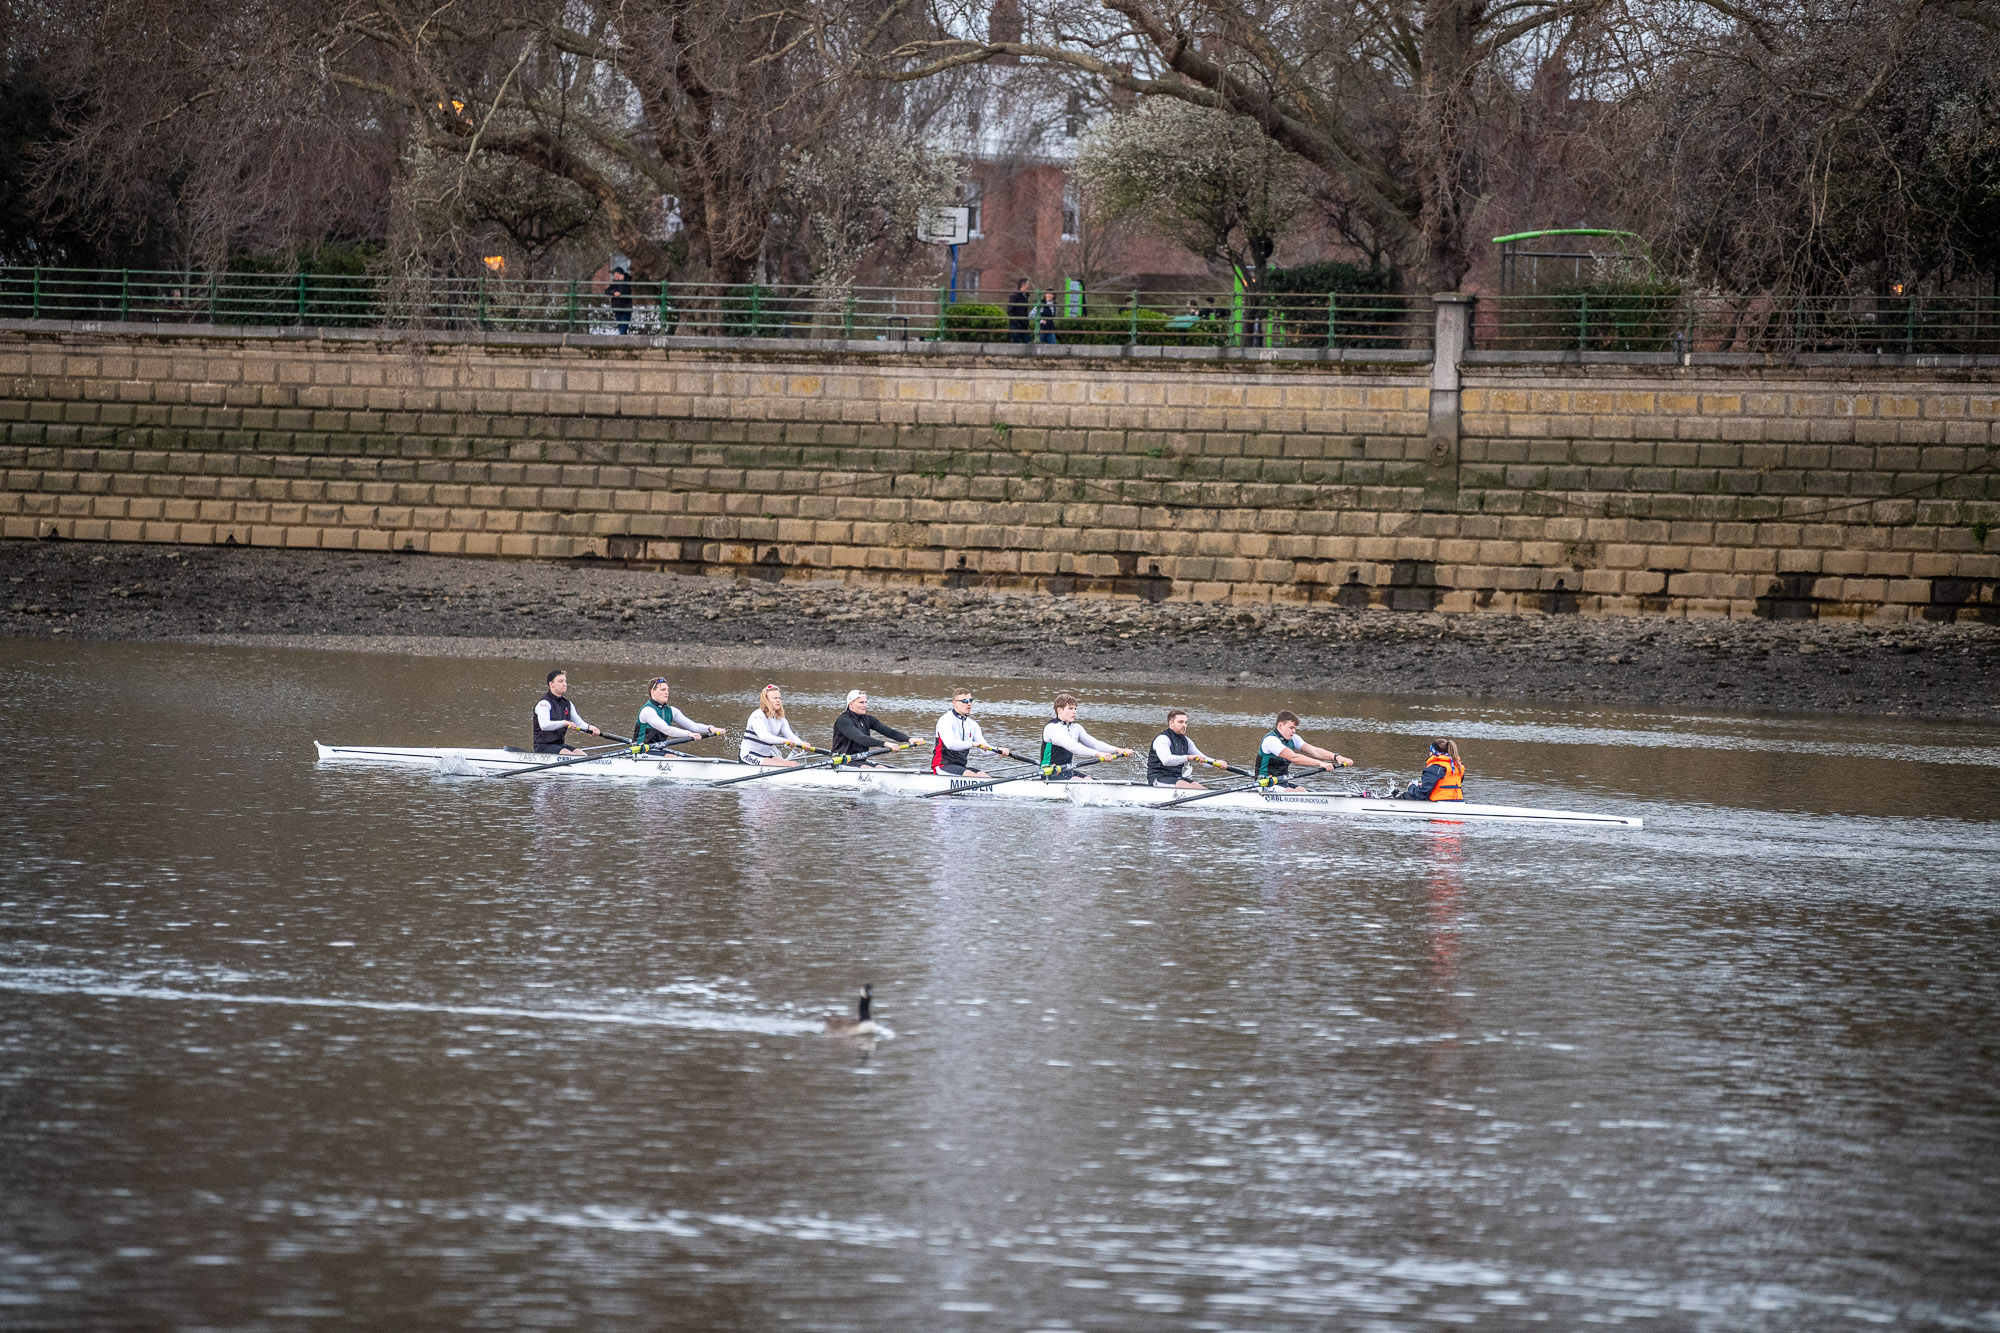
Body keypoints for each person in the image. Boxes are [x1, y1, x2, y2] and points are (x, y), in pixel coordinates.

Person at [1040, 693, 1130, 780]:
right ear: (1060, 710)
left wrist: (1118, 750)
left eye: (1075, 708)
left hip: (1067, 770)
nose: (1074, 712)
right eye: (1070, 708)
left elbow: (1095, 744)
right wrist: (1099, 754)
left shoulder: (1076, 728)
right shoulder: (1052, 727)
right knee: (1079, 781)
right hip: (1049, 773)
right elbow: (1072, 746)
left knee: (1089, 779)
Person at [1255, 710, 1351, 789]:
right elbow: (1294, 757)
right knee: (1291, 792)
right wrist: (1320, 763)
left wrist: (1337, 757)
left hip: (1281, 782)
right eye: (1291, 728)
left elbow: (1314, 751)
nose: (1294, 731)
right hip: (1264, 783)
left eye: (1295, 728)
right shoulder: (1271, 740)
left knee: (1301, 790)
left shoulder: (1294, 738)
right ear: (1280, 726)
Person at [932, 689, 1012, 777]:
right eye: (965, 701)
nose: (969, 703)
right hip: (943, 765)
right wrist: (973, 744)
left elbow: (984, 750)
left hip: (961, 767)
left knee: (984, 776)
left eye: (970, 700)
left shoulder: (973, 725)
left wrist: (998, 750)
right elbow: (950, 744)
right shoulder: (945, 720)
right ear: (954, 703)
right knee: (972, 775)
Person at [634, 678, 725, 749]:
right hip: (641, 752)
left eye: (667, 690)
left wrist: (710, 728)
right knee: (672, 757)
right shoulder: (647, 711)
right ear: (653, 692)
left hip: (658, 750)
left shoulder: (671, 711)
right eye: (663, 690)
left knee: (675, 757)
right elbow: (666, 729)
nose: (667, 692)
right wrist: (689, 734)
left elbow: (693, 726)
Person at [1146, 709, 1224, 789]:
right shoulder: (1162, 739)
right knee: (1190, 788)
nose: (1184, 725)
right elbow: (1166, 760)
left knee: (1201, 788)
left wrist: (1216, 762)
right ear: (1171, 723)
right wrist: (1188, 757)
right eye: (1180, 722)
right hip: (1158, 778)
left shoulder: (1187, 741)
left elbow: (1203, 760)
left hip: (1176, 778)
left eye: (1185, 722)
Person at [832, 689, 910, 766]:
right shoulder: (843, 720)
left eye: (866, 702)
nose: (865, 705)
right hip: (841, 762)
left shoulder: (868, 719)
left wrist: (909, 739)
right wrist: (885, 744)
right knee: (869, 768)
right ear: (851, 704)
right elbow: (861, 738)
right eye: (861, 702)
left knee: (881, 768)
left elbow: (891, 733)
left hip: (859, 761)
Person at [534, 669, 602, 754]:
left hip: (559, 745)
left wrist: (590, 727)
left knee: (581, 754)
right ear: (551, 684)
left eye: (565, 681)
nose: (564, 684)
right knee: (568, 754)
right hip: (543, 746)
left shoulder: (568, 704)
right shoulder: (544, 704)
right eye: (560, 681)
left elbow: (579, 724)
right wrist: (565, 723)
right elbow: (544, 725)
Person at [740, 684, 808, 767]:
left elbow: (791, 737)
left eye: (779, 698)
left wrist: (802, 743)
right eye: (775, 698)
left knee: (794, 764)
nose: (778, 700)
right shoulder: (757, 715)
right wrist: (784, 741)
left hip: (765, 756)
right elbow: (763, 736)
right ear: (766, 700)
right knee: (789, 765)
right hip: (748, 756)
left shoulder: (780, 719)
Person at [606, 264, 633, 335]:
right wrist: (613, 292)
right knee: (621, 328)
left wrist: (622, 281)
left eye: (616, 274)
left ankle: (622, 344)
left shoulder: (627, 281)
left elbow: (625, 291)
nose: (615, 276)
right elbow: (607, 291)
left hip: (625, 309)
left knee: (623, 330)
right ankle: (624, 343)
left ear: (621, 274)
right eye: (614, 274)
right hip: (617, 308)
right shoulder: (614, 282)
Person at [1006, 278, 1032, 344]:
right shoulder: (1015, 296)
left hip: (1023, 322)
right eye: (1027, 284)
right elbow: (1010, 310)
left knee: (1027, 341)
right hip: (1016, 323)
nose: (1028, 286)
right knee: (1016, 340)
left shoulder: (1025, 295)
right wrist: (1016, 321)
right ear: (1023, 285)